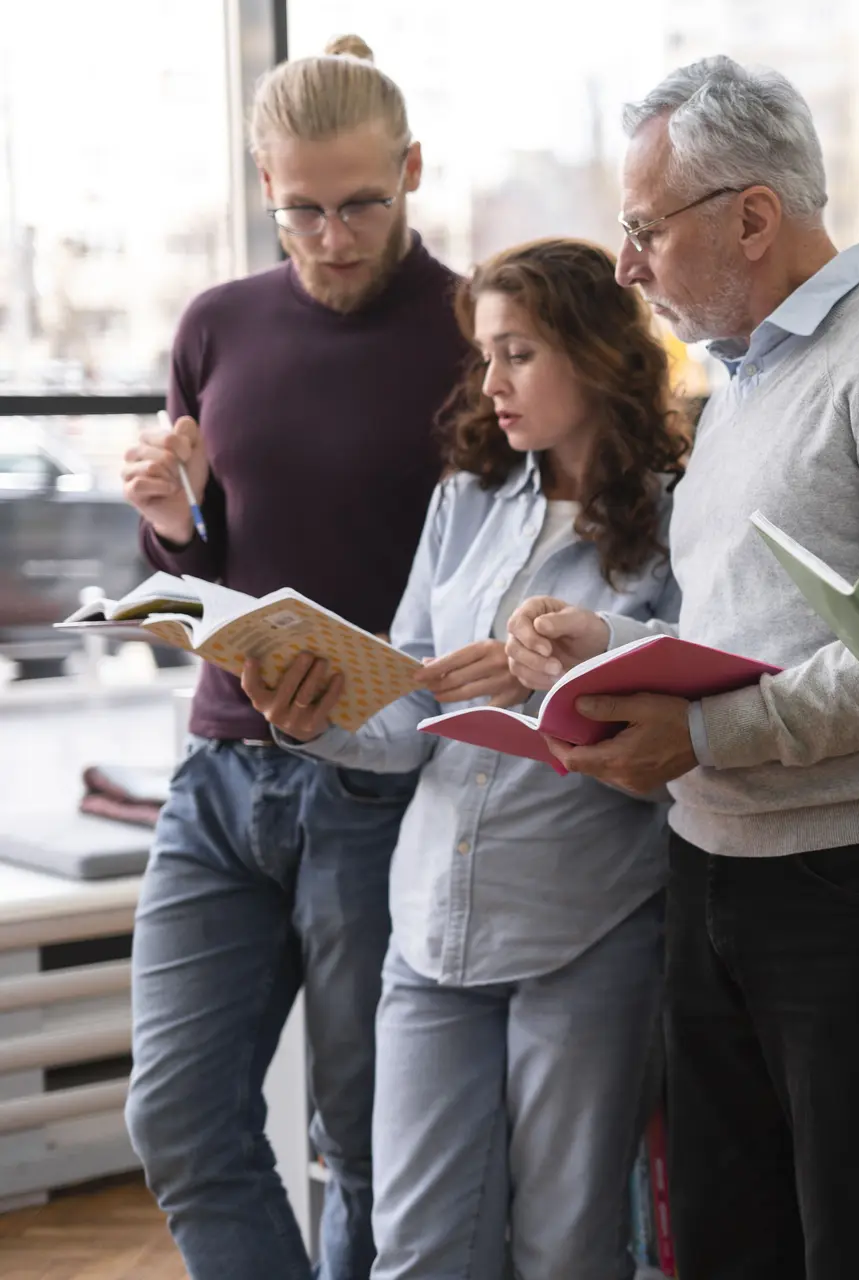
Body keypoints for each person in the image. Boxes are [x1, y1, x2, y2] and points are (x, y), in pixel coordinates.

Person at [501, 56, 859, 1279]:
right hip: (711, 868)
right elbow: (752, 634)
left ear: (750, 215)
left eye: (643, 230)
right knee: (730, 1242)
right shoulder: (739, 383)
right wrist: (616, 652)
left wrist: (704, 737)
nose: (626, 266)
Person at [241, 238, 681, 1280]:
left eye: (519, 353)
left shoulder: (680, 516)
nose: (492, 384)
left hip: (588, 929)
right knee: (419, 1250)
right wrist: (311, 716)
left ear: (598, 354)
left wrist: (571, 670)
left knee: (568, 1250)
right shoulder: (467, 500)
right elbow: (409, 712)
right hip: (432, 929)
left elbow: (692, 727)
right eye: (486, 355)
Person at [117, 37, 469, 1280]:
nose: (330, 235)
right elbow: (196, 565)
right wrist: (172, 523)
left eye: (362, 203)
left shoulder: (476, 335)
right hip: (219, 774)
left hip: (377, 787)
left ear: (413, 169)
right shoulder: (216, 325)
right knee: (176, 1111)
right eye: (302, 209)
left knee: (367, 1141)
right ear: (266, 189)